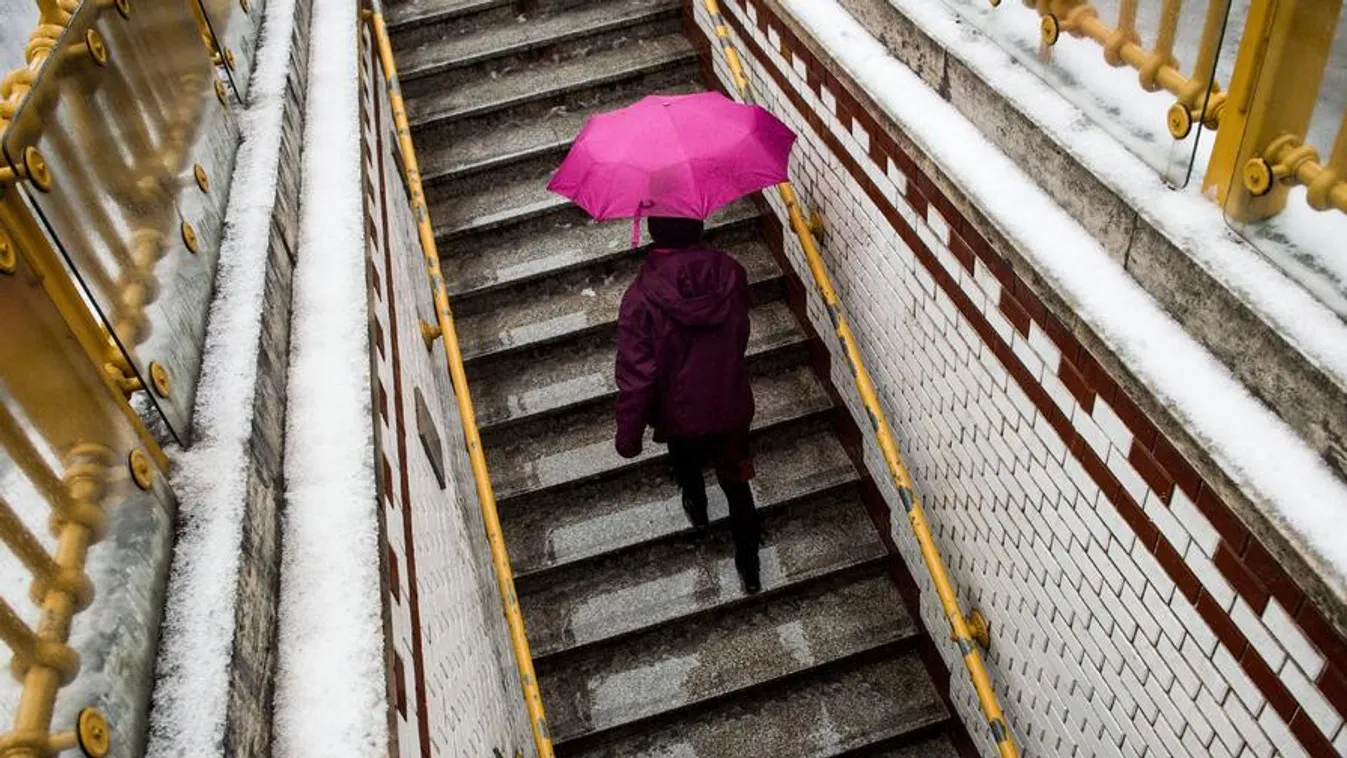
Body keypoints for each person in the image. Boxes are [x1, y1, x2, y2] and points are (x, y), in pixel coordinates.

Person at [613, 216, 762, 593]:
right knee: (737, 485)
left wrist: (628, 437)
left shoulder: (640, 298)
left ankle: (697, 509)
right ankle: (751, 569)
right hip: (729, 402)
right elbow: (740, 329)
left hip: (678, 411)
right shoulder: (731, 272)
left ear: (653, 232)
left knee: (686, 462)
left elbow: (637, 376)